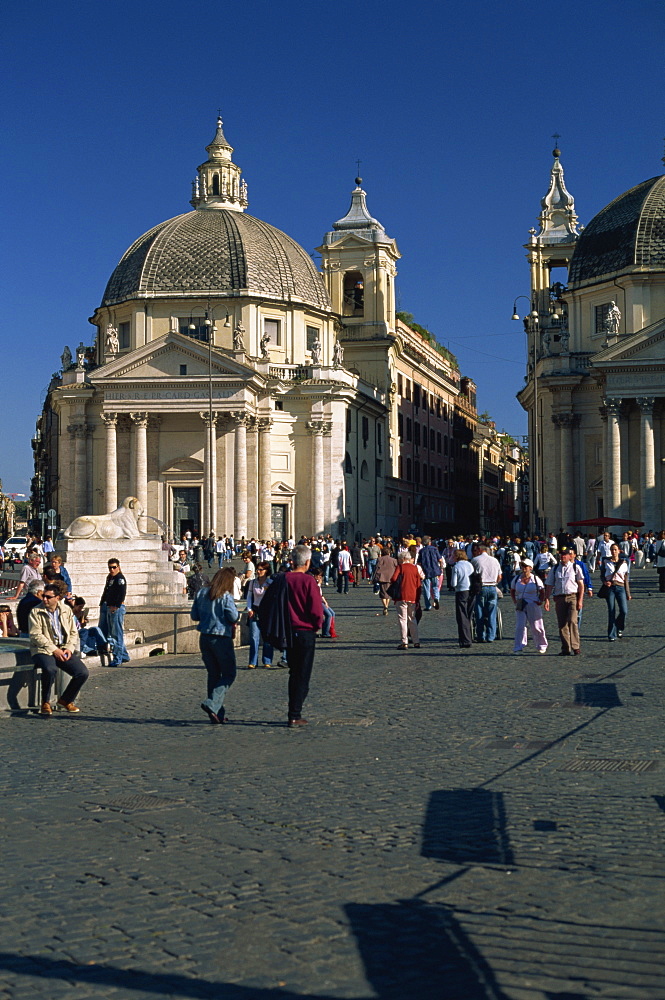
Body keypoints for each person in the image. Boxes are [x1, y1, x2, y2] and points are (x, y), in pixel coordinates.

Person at [29, 580, 89, 714]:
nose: (44, 599)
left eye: (48, 597)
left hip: (62, 647)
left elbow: (74, 632)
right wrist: (53, 650)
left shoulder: (66, 610)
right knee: (50, 669)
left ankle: (66, 700)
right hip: (42, 649)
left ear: (57, 598)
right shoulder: (36, 611)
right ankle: (45, 702)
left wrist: (69, 648)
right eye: (44, 596)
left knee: (82, 672)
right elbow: (35, 635)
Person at [281, 545, 323, 727]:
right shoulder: (308, 581)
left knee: (293, 672)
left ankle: (293, 711)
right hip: (305, 632)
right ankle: (295, 714)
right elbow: (315, 609)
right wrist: (317, 626)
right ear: (307, 562)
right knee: (302, 674)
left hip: (287, 632)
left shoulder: (282, 579)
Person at [191, 566, 239, 724]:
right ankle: (212, 704)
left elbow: (194, 615)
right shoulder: (225, 596)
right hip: (221, 638)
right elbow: (233, 616)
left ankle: (217, 713)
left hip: (204, 637)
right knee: (229, 673)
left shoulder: (201, 593)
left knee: (213, 674)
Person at [544, 546, 584, 656]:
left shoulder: (575, 567)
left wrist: (580, 600)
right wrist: (546, 599)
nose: (563, 556)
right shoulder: (555, 568)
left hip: (572, 597)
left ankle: (575, 646)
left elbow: (581, 585)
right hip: (559, 598)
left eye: (565, 554)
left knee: (572, 621)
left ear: (570, 556)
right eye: (561, 554)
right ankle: (566, 648)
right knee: (562, 624)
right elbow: (549, 585)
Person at [510, 558, 547, 654]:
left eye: (525, 566)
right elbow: (512, 590)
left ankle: (541, 645)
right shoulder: (516, 579)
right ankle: (518, 646)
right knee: (520, 626)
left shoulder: (535, 579)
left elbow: (542, 590)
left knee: (536, 626)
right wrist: (515, 600)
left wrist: (540, 601)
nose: (524, 568)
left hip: (533, 604)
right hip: (521, 604)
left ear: (530, 568)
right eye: (522, 566)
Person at [99, 558, 130, 667]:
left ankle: (118, 658)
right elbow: (106, 591)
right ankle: (124, 655)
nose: (112, 569)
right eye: (110, 567)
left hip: (116, 607)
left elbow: (122, 593)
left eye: (114, 567)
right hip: (108, 606)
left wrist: (116, 606)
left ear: (118, 567)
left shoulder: (120, 578)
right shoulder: (110, 577)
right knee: (112, 632)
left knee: (116, 634)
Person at [390, 550, 423, 650]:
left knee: (402, 619)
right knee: (412, 619)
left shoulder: (400, 567)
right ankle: (416, 641)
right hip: (413, 596)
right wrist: (418, 599)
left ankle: (404, 642)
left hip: (401, 595)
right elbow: (419, 584)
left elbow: (393, 579)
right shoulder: (415, 568)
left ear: (403, 559)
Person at [246, 561, 275, 668]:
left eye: (261, 570)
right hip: (255, 610)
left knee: (267, 637)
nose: (258, 571)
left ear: (266, 571)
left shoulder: (271, 583)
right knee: (254, 637)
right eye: (258, 569)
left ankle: (267, 660)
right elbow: (249, 597)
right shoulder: (253, 583)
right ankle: (253, 661)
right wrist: (249, 609)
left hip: (267, 612)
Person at [471, 544, 502, 642]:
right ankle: (491, 636)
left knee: (479, 611)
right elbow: (500, 576)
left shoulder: (475, 560)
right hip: (492, 587)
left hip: (481, 587)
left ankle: (481, 635)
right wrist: (495, 583)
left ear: (480, 550)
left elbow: (472, 576)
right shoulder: (495, 560)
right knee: (492, 612)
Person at [601, 542, 632, 641]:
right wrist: (605, 582)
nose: (613, 552)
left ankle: (619, 626)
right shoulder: (606, 562)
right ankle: (611, 634)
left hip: (621, 588)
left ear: (619, 551)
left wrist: (628, 593)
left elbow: (626, 579)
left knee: (624, 610)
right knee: (611, 610)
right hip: (610, 588)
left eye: (615, 549)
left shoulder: (624, 563)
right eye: (612, 550)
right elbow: (602, 575)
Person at [450, 549, 474, 649]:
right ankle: (470, 635)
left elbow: (453, 583)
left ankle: (465, 640)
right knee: (469, 615)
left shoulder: (456, 567)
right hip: (471, 591)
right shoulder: (470, 565)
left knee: (462, 616)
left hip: (461, 591)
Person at [417, 535, 443, 610]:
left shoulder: (422, 551)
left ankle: (428, 605)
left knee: (426, 589)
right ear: (429, 543)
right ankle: (436, 598)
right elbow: (440, 560)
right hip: (435, 570)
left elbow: (419, 563)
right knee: (435, 587)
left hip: (426, 571)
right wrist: (440, 568)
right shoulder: (434, 549)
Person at [374, 546, 398, 616]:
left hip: (382, 577)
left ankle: (385, 606)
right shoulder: (394, 560)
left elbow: (377, 568)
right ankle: (387, 605)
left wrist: (374, 578)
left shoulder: (380, 559)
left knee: (383, 593)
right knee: (389, 593)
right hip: (391, 577)